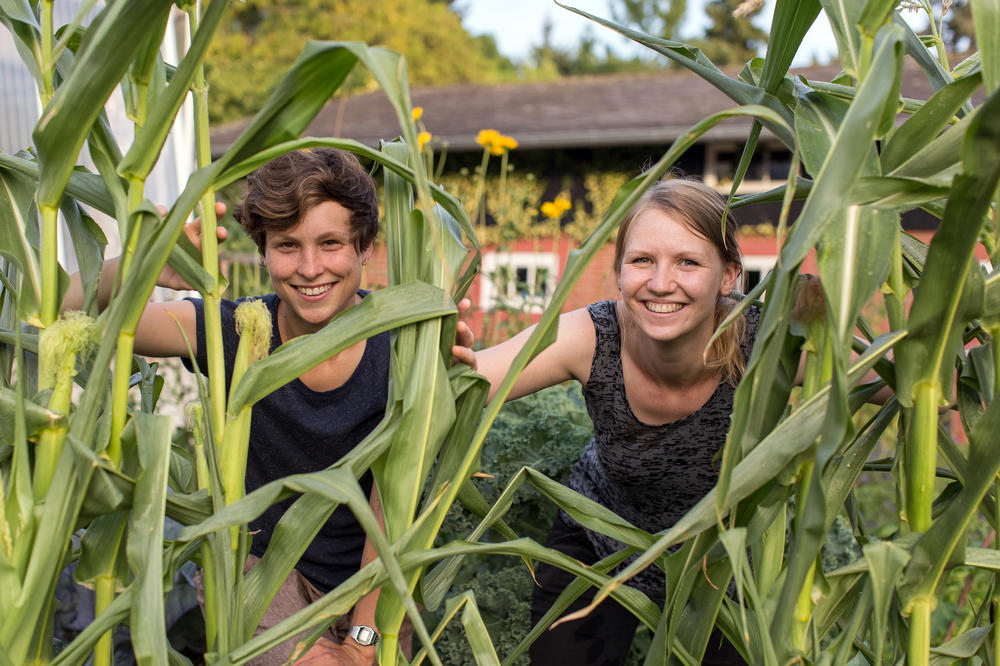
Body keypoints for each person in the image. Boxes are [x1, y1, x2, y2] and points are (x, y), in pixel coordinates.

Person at [64, 148, 434, 665]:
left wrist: (361, 642)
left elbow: (392, 507)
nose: (309, 269)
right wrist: (146, 264)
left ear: (365, 247)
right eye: (286, 245)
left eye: (330, 243)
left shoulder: (400, 347)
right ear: (262, 251)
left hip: (377, 578)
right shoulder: (239, 332)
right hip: (256, 573)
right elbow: (62, 304)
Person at [459, 176, 755, 665]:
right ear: (618, 271)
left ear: (728, 275)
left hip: (723, 559)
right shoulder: (592, 335)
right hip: (601, 533)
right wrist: (450, 353)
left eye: (687, 261)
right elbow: (475, 382)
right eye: (642, 260)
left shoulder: (767, 341)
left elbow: (896, 374)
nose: (661, 282)